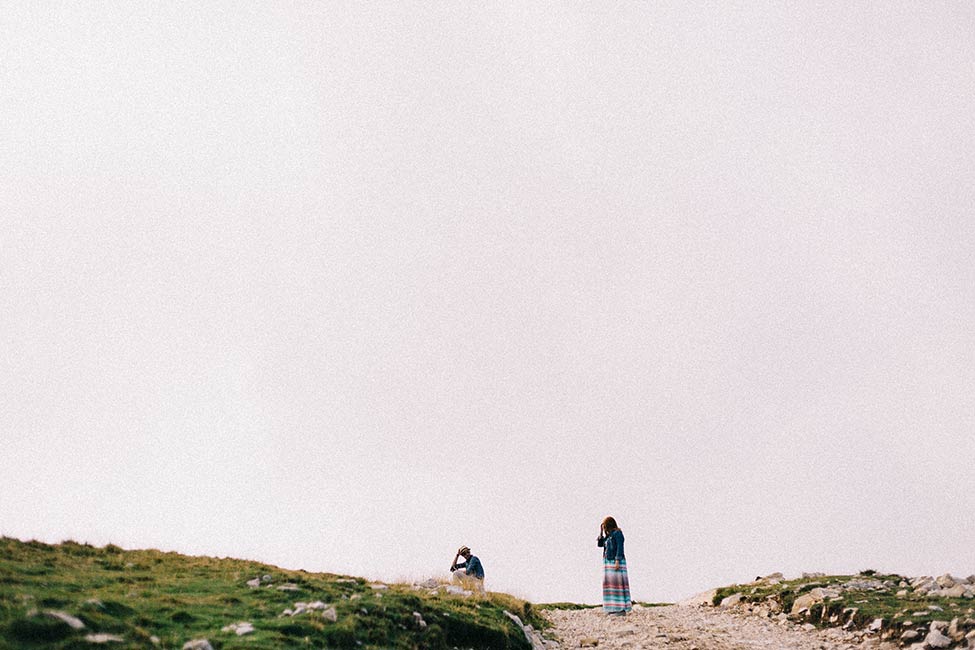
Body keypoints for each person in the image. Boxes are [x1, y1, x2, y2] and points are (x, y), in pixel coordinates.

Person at [597, 516, 632, 615]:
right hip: (608, 562)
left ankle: (620, 608)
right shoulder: (608, 536)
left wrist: (617, 560)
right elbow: (600, 544)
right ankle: (612, 607)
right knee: (610, 585)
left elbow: (620, 547)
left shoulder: (618, 534)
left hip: (615, 561)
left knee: (618, 584)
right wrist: (600, 533)